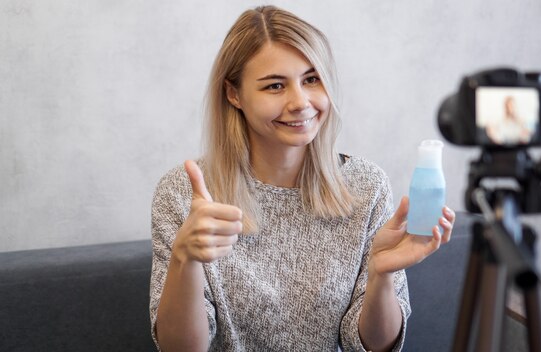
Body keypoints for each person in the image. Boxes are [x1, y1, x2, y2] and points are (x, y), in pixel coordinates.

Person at [149, 5, 455, 352]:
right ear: (233, 94)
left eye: (311, 79)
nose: (301, 102)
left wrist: (381, 276)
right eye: (275, 86)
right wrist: (184, 259)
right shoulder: (182, 194)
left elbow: (374, 347)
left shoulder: (366, 186)